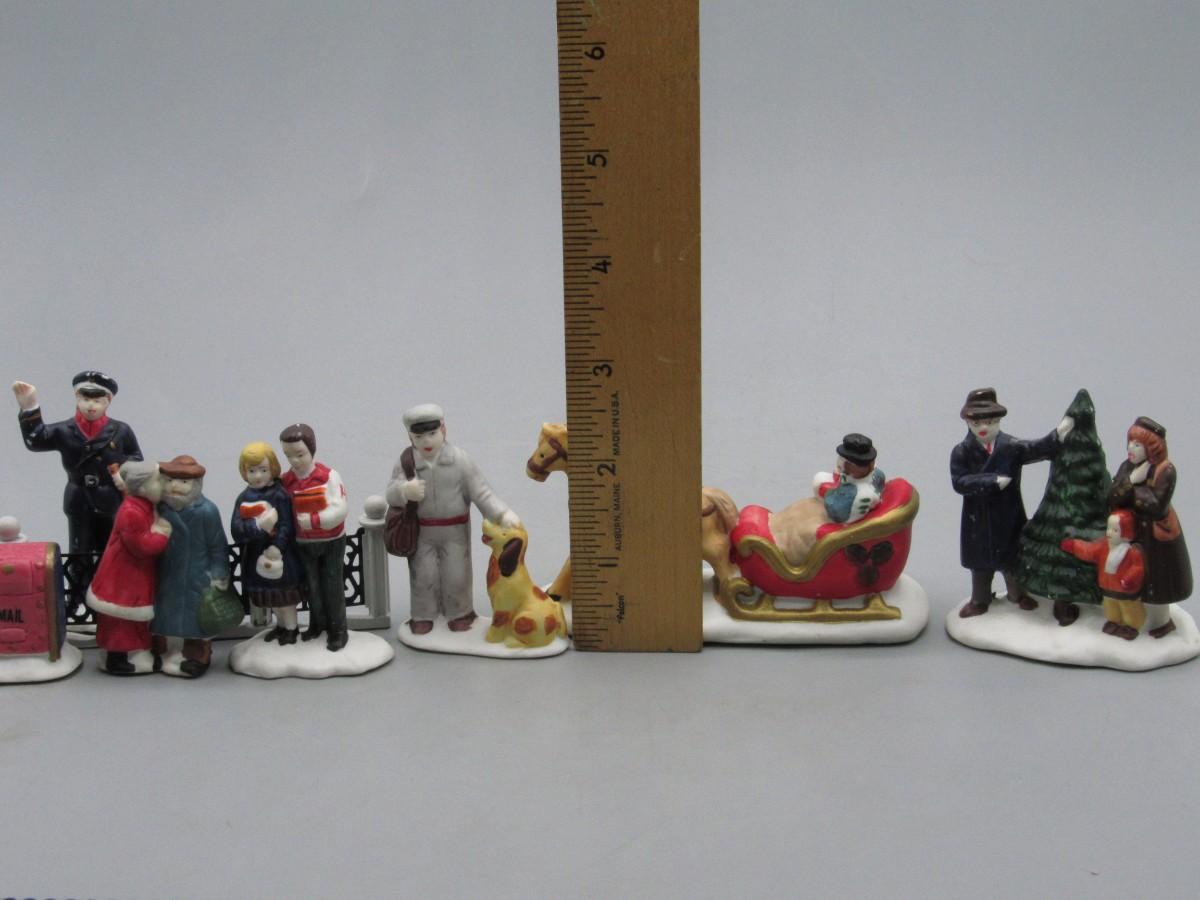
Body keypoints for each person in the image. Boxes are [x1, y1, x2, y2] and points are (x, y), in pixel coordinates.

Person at [386, 404, 519, 635]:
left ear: (443, 430)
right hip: (422, 531)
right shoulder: (407, 462)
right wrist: (404, 491)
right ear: (410, 437)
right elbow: (390, 493)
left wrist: (501, 513)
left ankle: (460, 613)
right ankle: (423, 615)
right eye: (419, 436)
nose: (427, 441)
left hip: (455, 531)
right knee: (423, 575)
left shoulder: (460, 460)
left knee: (457, 574)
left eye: (432, 433)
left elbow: (481, 492)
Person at [951, 388, 1073, 618]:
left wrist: (1058, 434)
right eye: (977, 423)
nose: (983, 427)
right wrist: (991, 481)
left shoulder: (1010, 446)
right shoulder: (961, 451)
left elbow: (1037, 448)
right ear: (968, 422)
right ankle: (980, 600)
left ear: (998, 420)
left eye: (990, 421)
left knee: (1012, 558)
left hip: (1008, 515)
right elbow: (959, 482)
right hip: (978, 518)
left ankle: (1018, 594)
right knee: (980, 564)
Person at [12, 371, 142, 555]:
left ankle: (107, 574)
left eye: (97, 400)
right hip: (78, 496)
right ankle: (79, 574)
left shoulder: (121, 430)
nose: (91, 405)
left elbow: (136, 457)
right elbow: (36, 441)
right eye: (85, 399)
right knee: (79, 548)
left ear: (108, 401)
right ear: (77, 398)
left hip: (109, 496)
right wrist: (29, 408)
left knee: (110, 548)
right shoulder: (64, 430)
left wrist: (122, 471)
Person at [1108, 417, 1192, 638]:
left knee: (1157, 580)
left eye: (1137, 444)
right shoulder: (1127, 467)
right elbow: (1112, 497)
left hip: (1156, 536)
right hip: (1131, 532)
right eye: (1130, 442)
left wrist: (1131, 487)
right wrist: (1130, 480)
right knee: (1131, 577)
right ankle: (1133, 618)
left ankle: (1161, 621)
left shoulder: (1166, 470)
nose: (1130, 448)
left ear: (1152, 447)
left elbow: (1156, 506)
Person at [85, 461, 171, 675]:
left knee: (133, 620)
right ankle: (117, 658)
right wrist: (161, 533)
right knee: (120, 620)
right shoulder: (132, 511)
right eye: (158, 481)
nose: (162, 485)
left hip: (133, 574)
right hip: (122, 577)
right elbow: (142, 546)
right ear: (142, 487)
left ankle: (135, 653)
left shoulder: (141, 505)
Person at [153, 456, 230, 678]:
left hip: (197, 574)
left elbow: (218, 547)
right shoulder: (160, 509)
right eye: (170, 480)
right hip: (168, 574)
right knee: (164, 615)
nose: (175, 487)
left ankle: (197, 656)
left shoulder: (207, 511)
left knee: (197, 619)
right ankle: (163, 651)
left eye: (184, 482)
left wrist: (219, 575)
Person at [279, 424, 350, 651]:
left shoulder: (328, 476)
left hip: (330, 541)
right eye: (289, 456)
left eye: (300, 454)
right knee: (311, 586)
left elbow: (340, 508)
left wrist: (316, 520)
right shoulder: (286, 481)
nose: (295, 461)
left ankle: (338, 630)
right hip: (303, 542)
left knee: (332, 585)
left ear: (311, 450)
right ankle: (317, 624)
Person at [231, 442, 304, 644]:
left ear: (272, 468)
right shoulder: (243, 498)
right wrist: (258, 526)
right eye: (252, 471)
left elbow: (287, 525)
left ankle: (291, 628)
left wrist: (277, 546)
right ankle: (280, 626)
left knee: (284, 596)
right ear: (244, 471)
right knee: (271, 597)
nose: (258, 476)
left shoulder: (279, 494)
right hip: (256, 554)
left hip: (281, 555)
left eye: (263, 470)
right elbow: (236, 529)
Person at [1062, 509, 1146, 640]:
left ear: (1126, 533)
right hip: (1107, 587)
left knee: (1129, 608)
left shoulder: (1132, 551)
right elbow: (1089, 551)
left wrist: (1129, 579)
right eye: (1109, 528)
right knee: (1110, 606)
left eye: (1115, 530)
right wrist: (1074, 546)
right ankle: (1114, 622)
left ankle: (1131, 626)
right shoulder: (1104, 546)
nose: (1109, 533)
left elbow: (1137, 567)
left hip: (1125, 590)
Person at [815, 434, 886, 525]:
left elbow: (838, 510)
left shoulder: (863, 494)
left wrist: (829, 494)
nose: (841, 463)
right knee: (819, 478)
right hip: (841, 486)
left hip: (845, 503)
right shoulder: (844, 472)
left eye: (848, 463)